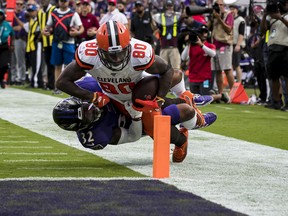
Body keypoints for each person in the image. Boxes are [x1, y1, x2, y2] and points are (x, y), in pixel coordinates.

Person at [56, 20, 216, 163]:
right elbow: (62, 81)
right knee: (159, 126)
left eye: (120, 52)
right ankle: (183, 135)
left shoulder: (139, 53)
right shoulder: (94, 136)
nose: (117, 58)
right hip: (122, 106)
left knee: (174, 76)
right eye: (110, 54)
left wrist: (159, 98)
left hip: (138, 91)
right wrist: (134, 116)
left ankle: (188, 101)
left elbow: (166, 70)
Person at [42, 0, 84, 94]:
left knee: (68, 66)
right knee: (57, 65)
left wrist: (77, 32)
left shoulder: (73, 14)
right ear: (59, 2)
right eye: (62, 1)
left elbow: (81, 28)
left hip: (69, 42)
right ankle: (57, 87)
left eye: (65, 1)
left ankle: (68, 87)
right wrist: (45, 31)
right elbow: (48, 26)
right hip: (56, 42)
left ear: (68, 2)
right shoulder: (54, 13)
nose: (63, 3)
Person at [181, 25, 221, 102]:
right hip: (193, 77)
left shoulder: (209, 45)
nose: (203, 34)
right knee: (194, 99)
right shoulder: (191, 46)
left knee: (204, 97)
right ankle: (218, 96)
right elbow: (184, 58)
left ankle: (219, 96)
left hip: (205, 77)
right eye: (201, 32)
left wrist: (201, 45)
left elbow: (213, 54)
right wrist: (188, 44)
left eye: (205, 32)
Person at [260, 0, 288, 111]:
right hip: (272, 48)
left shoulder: (284, 16)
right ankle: (276, 101)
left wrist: (280, 17)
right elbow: (263, 31)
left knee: (286, 77)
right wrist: (265, 16)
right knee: (274, 77)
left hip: (285, 48)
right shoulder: (270, 18)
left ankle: (287, 102)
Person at [208, 0, 234, 102]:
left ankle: (233, 94)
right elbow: (207, 27)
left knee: (227, 69)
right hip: (214, 45)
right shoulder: (213, 15)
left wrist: (219, 19)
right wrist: (212, 18)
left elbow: (228, 29)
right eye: (217, 5)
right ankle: (220, 94)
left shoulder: (229, 15)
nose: (219, 7)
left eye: (221, 5)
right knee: (218, 71)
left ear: (224, 6)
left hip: (225, 45)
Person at [37, 0, 56, 90]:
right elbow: (40, 27)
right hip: (45, 42)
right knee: (48, 63)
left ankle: (53, 84)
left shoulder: (54, 10)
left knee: (54, 64)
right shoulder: (40, 12)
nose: (43, 1)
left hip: (54, 41)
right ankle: (50, 84)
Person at [10, 0, 27, 86]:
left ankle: (21, 78)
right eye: (17, 4)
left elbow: (22, 27)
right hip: (11, 39)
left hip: (20, 39)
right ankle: (13, 78)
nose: (19, 5)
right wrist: (14, 28)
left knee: (20, 60)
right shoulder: (10, 14)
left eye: (21, 4)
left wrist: (16, 20)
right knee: (12, 60)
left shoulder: (23, 14)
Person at [229, 4, 246, 84]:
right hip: (230, 44)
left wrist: (238, 45)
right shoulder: (229, 19)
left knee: (237, 65)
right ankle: (232, 82)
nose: (232, 11)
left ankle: (239, 82)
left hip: (236, 44)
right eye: (230, 9)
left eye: (233, 9)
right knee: (230, 66)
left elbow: (241, 33)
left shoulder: (240, 20)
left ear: (236, 10)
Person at [0, 9, 15, 89]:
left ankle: (1, 78)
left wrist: (12, 44)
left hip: (4, 46)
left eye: (0, 14)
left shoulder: (7, 25)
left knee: (4, 65)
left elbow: (12, 34)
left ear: (3, 16)